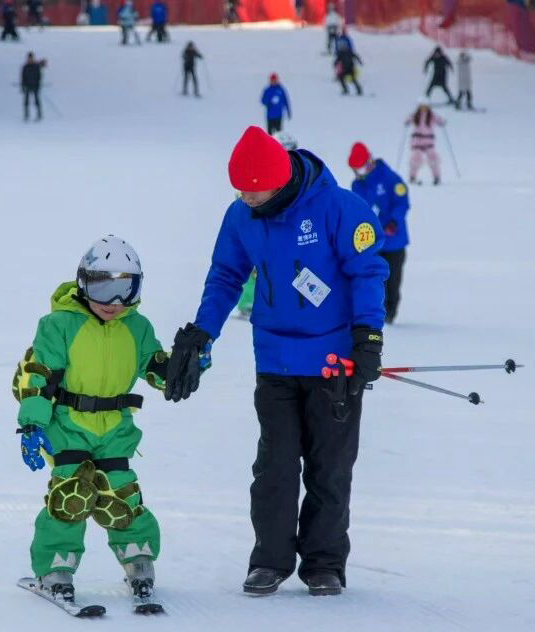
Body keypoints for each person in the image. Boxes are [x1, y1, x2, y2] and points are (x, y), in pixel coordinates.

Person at [163, 126, 388, 597]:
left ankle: (324, 563)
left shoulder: (341, 208)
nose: (245, 196)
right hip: (275, 360)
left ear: (280, 178)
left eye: (253, 188)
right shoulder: (242, 215)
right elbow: (226, 274)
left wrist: (368, 336)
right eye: (238, 188)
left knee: (329, 467)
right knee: (275, 467)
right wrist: (203, 332)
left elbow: (368, 271)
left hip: (334, 362)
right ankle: (270, 559)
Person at [12, 236, 176, 607]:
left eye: (124, 289)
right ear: (83, 282)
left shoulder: (138, 327)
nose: (113, 302)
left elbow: (158, 372)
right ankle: (56, 567)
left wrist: (186, 365)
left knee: (120, 494)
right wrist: (33, 424)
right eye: (103, 287)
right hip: (67, 424)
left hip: (115, 427)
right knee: (70, 496)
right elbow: (39, 376)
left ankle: (139, 560)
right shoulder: (59, 324)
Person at [236, 130, 299, 320]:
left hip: (286, 232)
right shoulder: (261, 170)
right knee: (251, 265)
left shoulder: (296, 179)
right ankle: (247, 302)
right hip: (257, 227)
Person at [348, 142, 409, 323]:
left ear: (370, 161)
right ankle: (374, 310)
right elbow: (358, 209)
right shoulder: (357, 185)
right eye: (356, 170)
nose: (361, 172)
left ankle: (390, 311)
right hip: (371, 242)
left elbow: (402, 202)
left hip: (393, 241)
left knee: (392, 279)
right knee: (373, 278)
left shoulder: (390, 178)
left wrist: (393, 221)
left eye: (362, 167)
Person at [405, 102, 445, 186]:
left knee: (432, 157)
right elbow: (407, 119)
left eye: (425, 107)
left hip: (428, 141)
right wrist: (407, 121)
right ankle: (412, 177)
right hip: (417, 141)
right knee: (416, 157)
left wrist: (442, 122)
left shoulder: (432, 116)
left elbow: (440, 120)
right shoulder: (415, 115)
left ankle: (436, 177)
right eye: (422, 107)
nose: (423, 108)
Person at [21, 52, 46, 121]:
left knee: (36, 101)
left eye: (31, 58)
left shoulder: (36, 66)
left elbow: (39, 77)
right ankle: (26, 115)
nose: (30, 59)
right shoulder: (25, 67)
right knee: (26, 101)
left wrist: (38, 85)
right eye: (29, 58)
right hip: (27, 86)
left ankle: (39, 114)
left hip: (35, 86)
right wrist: (23, 86)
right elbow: (23, 77)